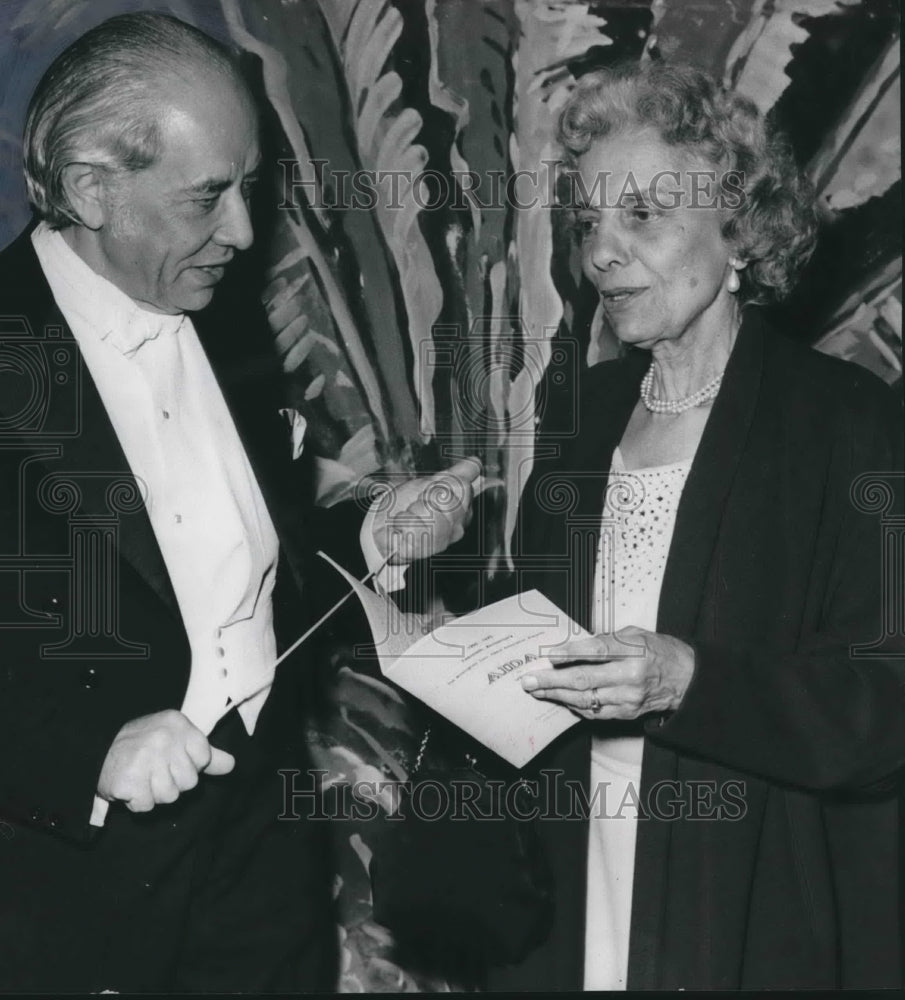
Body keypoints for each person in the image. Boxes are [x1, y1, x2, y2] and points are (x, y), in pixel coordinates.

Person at [370, 61, 904, 990]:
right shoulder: (584, 410)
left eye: (642, 216)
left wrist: (687, 681)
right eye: (587, 223)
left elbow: (880, 702)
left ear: (739, 228)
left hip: (739, 885)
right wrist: (418, 601)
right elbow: (537, 641)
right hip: (567, 875)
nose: (601, 254)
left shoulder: (844, 423)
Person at [0, 11, 390, 991]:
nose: (246, 231)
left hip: (264, 875)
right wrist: (85, 751)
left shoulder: (224, 313)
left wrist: (367, 532)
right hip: (72, 907)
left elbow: (248, 562)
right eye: (207, 196)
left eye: (249, 188)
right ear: (91, 188)